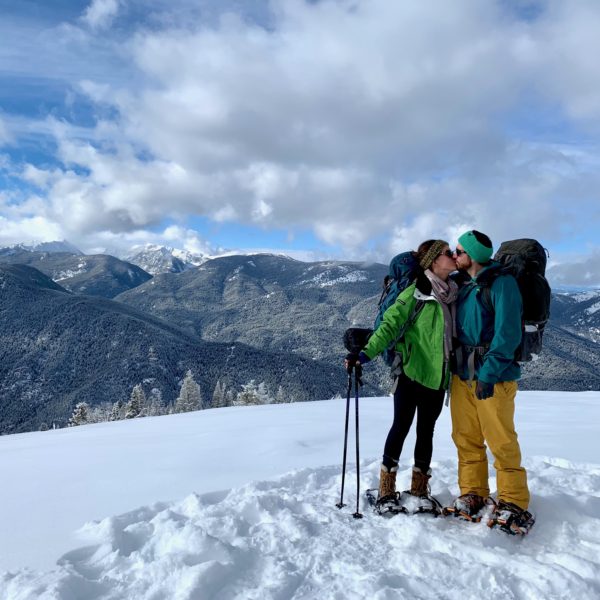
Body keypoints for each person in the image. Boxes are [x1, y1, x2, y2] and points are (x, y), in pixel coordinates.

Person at [345, 239, 457, 513]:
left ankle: (419, 489)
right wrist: (363, 355)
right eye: (447, 253)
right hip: (410, 373)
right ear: (433, 261)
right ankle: (386, 488)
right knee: (401, 427)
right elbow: (388, 327)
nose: (453, 255)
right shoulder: (414, 293)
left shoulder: (454, 293)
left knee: (425, 432)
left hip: (439, 377)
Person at [447, 230, 532, 532]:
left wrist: (489, 374)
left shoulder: (502, 284)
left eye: (458, 251)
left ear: (473, 255)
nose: (454, 256)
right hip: (462, 376)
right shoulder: (463, 285)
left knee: (501, 440)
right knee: (466, 437)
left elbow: (508, 334)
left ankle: (513, 501)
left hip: (492, 378)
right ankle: (473, 493)